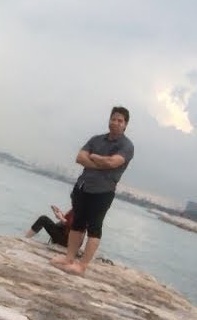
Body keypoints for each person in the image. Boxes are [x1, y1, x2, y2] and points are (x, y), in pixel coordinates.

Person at [52, 107, 135, 276]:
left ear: (125, 124)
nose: (116, 123)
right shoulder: (96, 139)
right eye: (114, 119)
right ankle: (69, 258)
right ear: (109, 120)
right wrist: (101, 163)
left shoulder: (126, 146)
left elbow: (113, 163)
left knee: (94, 228)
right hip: (83, 186)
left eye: (120, 120)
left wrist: (95, 157)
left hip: (103, 191)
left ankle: (82, 265)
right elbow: (79, 158)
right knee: (77, 224)